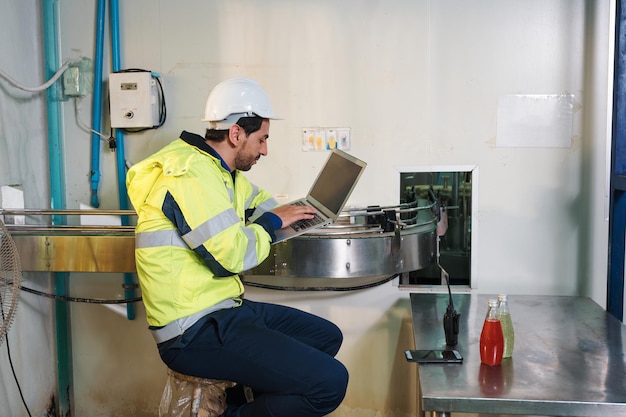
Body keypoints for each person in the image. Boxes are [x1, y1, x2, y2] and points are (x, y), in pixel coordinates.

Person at [126, 78, 349, 417]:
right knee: (331, 382)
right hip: (191, 330)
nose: (264, 150)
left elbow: (258, 204)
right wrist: (273, 222)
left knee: (325, 337)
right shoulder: (190, 175)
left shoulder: (222, 172)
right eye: (262, 139)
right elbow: (231, 257)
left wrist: (298, 214)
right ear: (235, 134)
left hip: (222, 309)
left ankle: (240, 404)